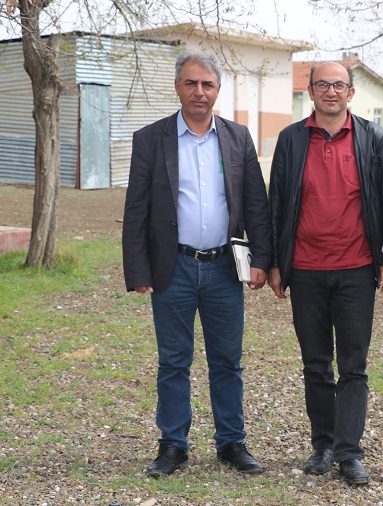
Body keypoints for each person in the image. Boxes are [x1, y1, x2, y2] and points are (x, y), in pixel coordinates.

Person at [122, 49, 272, 478]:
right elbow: (137, 209)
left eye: (207, 84)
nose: (199, 91)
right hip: (174, 267)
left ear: (218, 90)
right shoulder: (150, 139)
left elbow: (256, 205)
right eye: (191, 83)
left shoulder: (238, 138)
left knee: (227, 361)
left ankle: (231, 442)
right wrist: (138, 270)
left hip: (225, 267)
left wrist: (262, 259)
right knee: (173, 361)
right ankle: (173, 445)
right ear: (177, 87)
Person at [267, 61, 383, 485]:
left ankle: (349, 453)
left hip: (356, 269)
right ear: (310, 91)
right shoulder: (291, 139)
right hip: (305, 269)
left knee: (354, 365)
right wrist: (275, 263)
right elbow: (276, 204)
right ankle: (323, 445)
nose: (331, 91)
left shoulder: (372, 137)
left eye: (339, 85)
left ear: (351, 92)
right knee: (315, 364)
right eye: (323, 84)